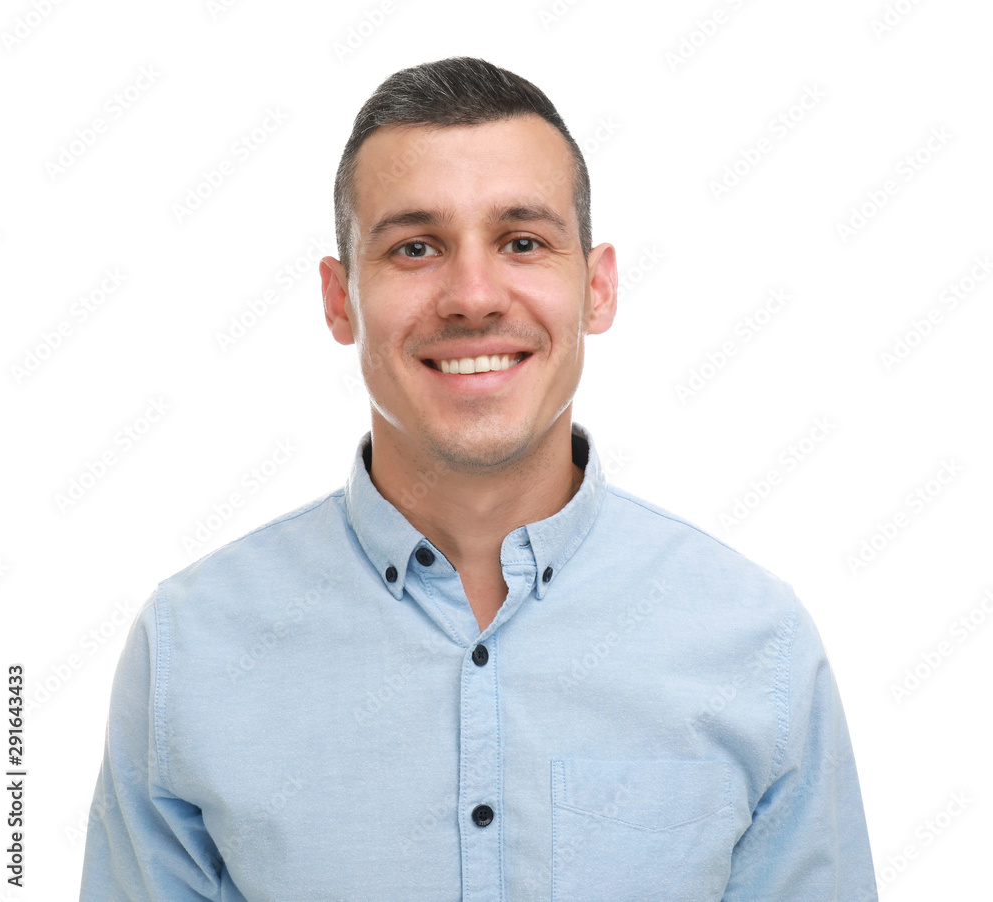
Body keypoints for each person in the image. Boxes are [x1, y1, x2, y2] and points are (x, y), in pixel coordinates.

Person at [80, 56, 879, 900]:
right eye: (415, 247)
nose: (472, 296)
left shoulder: (756, 641)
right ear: (340, 299)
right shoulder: (191, 648)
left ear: (597, 287)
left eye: (522, 242)